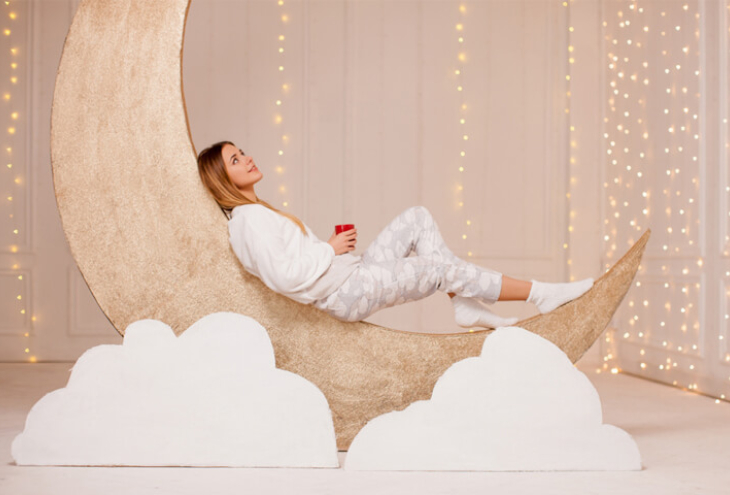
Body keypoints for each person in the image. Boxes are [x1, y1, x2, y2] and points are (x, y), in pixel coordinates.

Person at [197, 140, 594, 329]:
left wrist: (330, 250)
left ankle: (464, 304)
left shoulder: (257, 213)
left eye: (242, 152)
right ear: (222, 178)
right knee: (437, 268)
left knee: (417, 218)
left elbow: (292, 262)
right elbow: (284, 277)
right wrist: (329, 250)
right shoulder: (248, 221)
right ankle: (540, 293)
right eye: (235, 159)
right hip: (346, 292)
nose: (247, 158)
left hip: (350, 276)